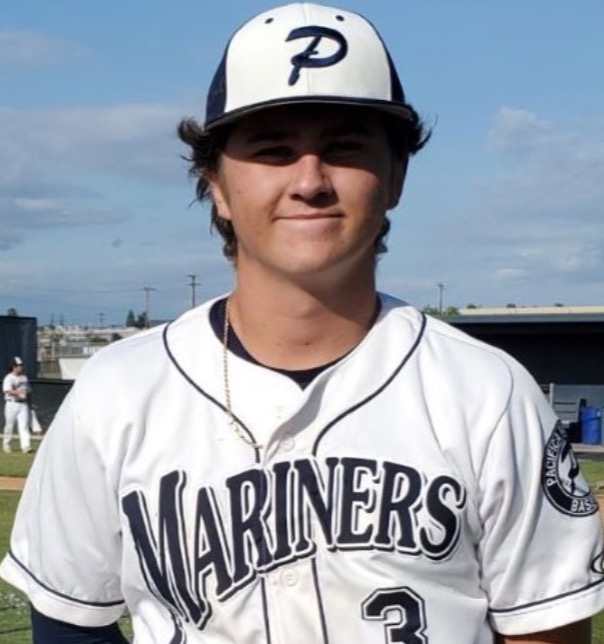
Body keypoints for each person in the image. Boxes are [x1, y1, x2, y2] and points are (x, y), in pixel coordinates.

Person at [1, 3, 604, 643]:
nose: (310, 181)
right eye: (274, 150)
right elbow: (70, 622)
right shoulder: (117, 391)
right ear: (217, 185)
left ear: (395, 176)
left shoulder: (488, 393)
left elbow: (545, 631)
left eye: (344, 148)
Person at [2, 356, 31, 454]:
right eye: (19, 365)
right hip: (12, 403)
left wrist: (26, 393)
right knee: (9, 425)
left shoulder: (24, 377)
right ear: (13, 367)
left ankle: (25, 446)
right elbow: (6, 391)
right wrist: (18, 392)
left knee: (24, 426)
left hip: (23, 404)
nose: (21, 367)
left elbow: (28, 390)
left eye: (21, 365)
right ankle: (6, 444)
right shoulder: (9, 378)